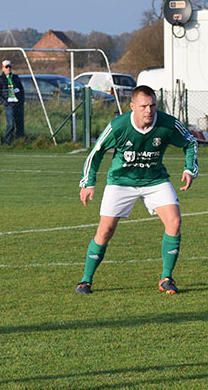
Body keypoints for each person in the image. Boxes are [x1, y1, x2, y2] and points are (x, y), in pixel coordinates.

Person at [75, 85, 199, 295]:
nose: (149, 111)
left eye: (152, 105)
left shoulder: (168, 124)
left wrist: (189, 169)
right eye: (143, 106)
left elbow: (190, 142)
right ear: (132, 106)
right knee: (105, 231)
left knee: (174, 221)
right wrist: (88, 182)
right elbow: (96, 152)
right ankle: (85, 281)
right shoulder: (119, 126)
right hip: (121, 181)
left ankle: (166, 278)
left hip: (155, 180)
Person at [0, 60, 25, 144]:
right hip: (9, 104)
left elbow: (21, 90)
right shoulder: (0, 79)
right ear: (3, 68)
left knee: (20, 123)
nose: (8, 68)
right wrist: (5, 102)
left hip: (18, 103)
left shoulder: (15, 77)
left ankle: (20, 141)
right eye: (6, 67)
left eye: (10, 66)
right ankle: (7, 142)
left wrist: (21, 100)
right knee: (11, 123)